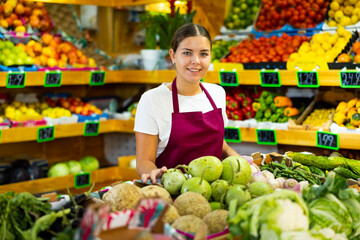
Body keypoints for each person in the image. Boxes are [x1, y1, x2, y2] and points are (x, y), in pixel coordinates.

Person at [134, 23, 240, 183]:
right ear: (173, 55)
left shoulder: (217, 93)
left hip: (216, 191)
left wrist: (240, 162)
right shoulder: (152, 100)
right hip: (172, 192)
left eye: (203, 54)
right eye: (187, 53)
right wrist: (154, 173)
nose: (196, 61)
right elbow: (143, 161)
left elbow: (220, 144)